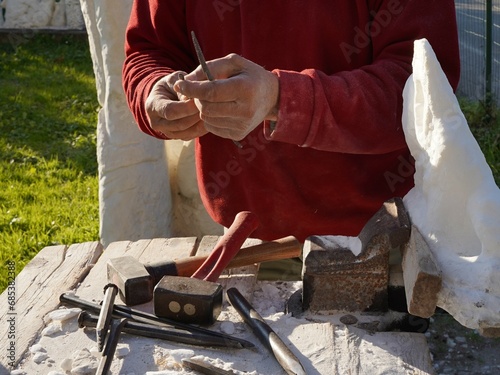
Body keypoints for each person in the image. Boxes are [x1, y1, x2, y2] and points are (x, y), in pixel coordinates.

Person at [122, 1, 460, 243]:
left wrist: (282, 99)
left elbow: (424, 85)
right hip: (245, 238)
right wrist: (152, 90)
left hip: (374, 240)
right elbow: (149, 48)